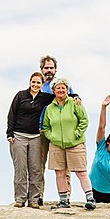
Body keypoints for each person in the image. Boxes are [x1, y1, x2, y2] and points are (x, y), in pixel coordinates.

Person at [42, 77, 96, 210]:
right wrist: (51, 137)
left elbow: (84, 120)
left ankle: (90, 199)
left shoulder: (75, 103)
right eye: (58, 88)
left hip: (75, 144)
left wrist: (76, 134)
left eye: (63, 88)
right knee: (60, 173)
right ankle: (63, 201)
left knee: (81, 172)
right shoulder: (50, 108)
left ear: (67, 90)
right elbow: (46, 126)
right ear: (54, 90)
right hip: (56, 145)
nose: (61, 90)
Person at [6, 72, 54, 208]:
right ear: (30, 82)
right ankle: (20, 199)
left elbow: (60, 95)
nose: (35, 85)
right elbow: (11, 114)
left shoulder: (45, 98)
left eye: (38, 83)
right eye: (33, 82)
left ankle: (33, 200)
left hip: (36, 137)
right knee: (20, 169)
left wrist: (75, 96)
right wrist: (9, 133)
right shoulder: (20, 95)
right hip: (18, 136)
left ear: (42, 84)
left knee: (36, 169)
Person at [38, 55, 81, 204]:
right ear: (41, 69)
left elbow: (75, 99)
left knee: (64, 166)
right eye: (46, 68)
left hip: (62, 131)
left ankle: (66, 197)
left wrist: (77, 97)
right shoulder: (38, 85)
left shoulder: (63, 86)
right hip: (42, 129)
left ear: (55, 69)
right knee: (39, 164)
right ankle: (38, 197)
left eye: (51, 68)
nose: (49, 70)